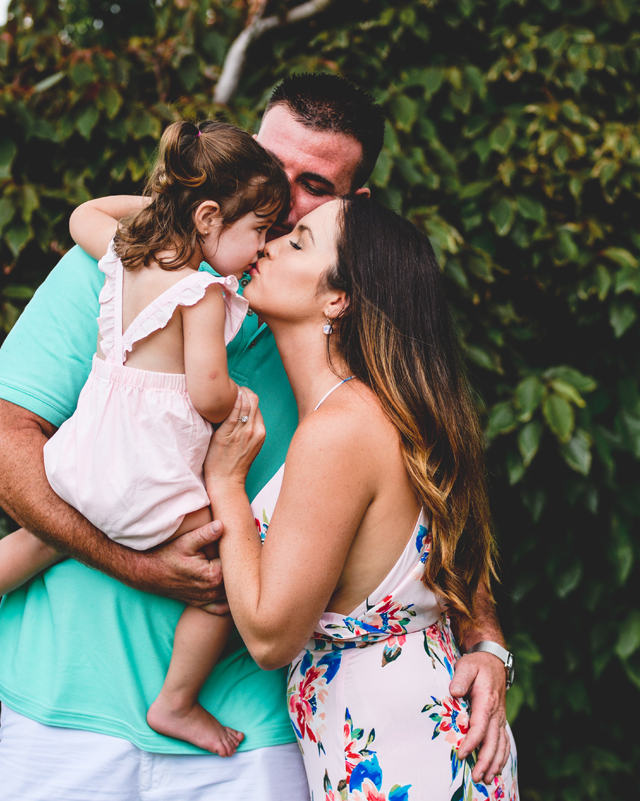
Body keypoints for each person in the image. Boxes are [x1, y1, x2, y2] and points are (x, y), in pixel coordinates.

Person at [0, 74, 512, 800]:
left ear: (356, 207)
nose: (281, 200)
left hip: (254, 733)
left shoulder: (345, 349)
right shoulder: (127, 267)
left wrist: (486, 639)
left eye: (312, 184)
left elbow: (433, 491)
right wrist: (140, 562)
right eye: (266, 163)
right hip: (69, 698)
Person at [0, 119, 287, 757]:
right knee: (221, 576)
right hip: (147, 477)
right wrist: (241, 401)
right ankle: (175, 703)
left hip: (81, 459)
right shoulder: (203, 293)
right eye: (257, 230)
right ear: (210, 217)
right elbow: (208, 393)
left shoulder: (125, 258)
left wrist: (169, 211)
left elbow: (83, 213)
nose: (261, 246)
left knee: (41, 537)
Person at [204, 196, 519, 798]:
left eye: (297, 241)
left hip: (394, 759)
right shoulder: (389, 412)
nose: (267, 244)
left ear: (337, 298)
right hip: (423, 738)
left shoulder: (338, 430)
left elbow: (271, 637)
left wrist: (225, 483)